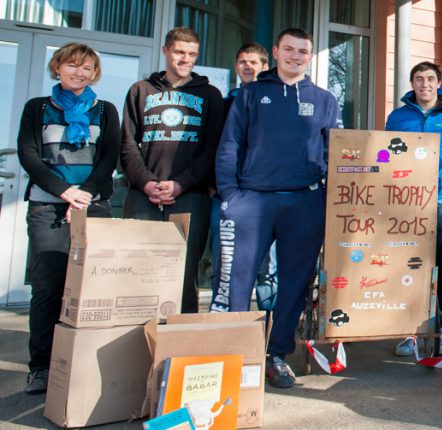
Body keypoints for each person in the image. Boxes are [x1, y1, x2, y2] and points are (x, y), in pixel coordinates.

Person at [212, 28, 341, 389]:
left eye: (303, 51)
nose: (296, 56)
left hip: (304, 202)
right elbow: (229, 145)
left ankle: (276, 354)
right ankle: (235, 354)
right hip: (252, 200)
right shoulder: (251, 94)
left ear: (310, 57)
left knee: (294, 284)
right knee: (236, 281)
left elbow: (336, 155)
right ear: (276, 52)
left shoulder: (325, 100)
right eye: (289, 49)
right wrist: (230, 196)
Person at [17, 43, 120, 394]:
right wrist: (65, 191)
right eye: (73, 65)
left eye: (87, 68)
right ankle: (42, 367)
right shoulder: (38, 108)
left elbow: (109, 158)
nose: (79, 72)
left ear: (95, 73)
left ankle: (83, 362)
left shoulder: (105, 111)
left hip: (93, 204)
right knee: (48, 285)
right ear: (58, 67)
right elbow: (28, 155)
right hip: (48, 206)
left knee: (94, 287)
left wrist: (86, 192)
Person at [121, 27, 225, 314]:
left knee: (183, 276)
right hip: (144, 197)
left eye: (192, 54)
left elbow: (212, 149)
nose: (185, 59)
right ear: (166, 51)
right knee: (139, 272)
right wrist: (146, 183)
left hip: (190, 197)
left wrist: (180, 184)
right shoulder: (140, 90)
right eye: (179, 52)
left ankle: (179, 349)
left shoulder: (210, 95)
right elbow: (128, 145)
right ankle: (137, 348)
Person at [385, 61, 442, 356]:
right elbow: (385, 155)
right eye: (419, 79)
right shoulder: (398, 117)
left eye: (430, 79)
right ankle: (409, 332)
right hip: (407, 202)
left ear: (439, 84)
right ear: (412, 84)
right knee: (408, 265)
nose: (425, 84)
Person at [209, 43, 276, 309]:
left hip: (263, 197)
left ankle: (266, 337)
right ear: (236, 67)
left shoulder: (273, 103)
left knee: (265, 270)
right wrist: (215, 186)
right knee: (224, 266)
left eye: (253, 62)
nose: (247, 66)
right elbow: (212, 146)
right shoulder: (225, 104)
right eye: (242, 62)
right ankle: (225, 330)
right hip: (226, 196)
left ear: (264, 67)